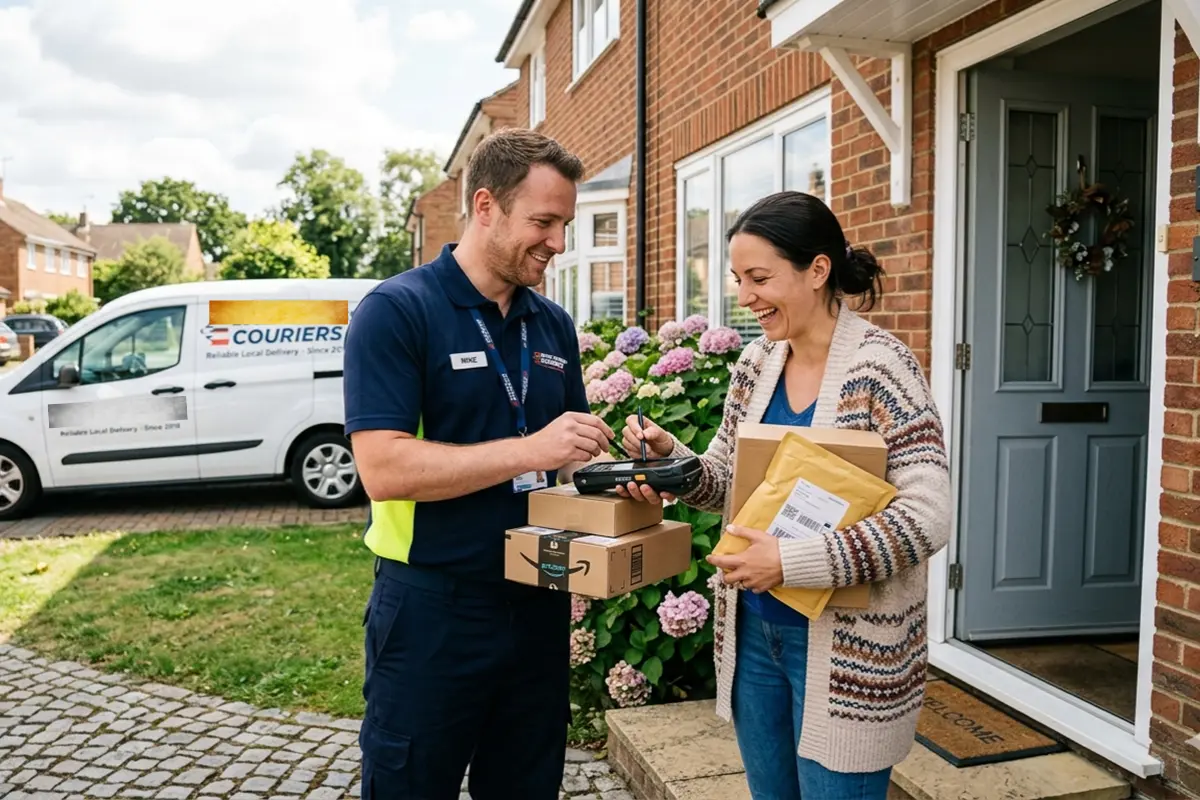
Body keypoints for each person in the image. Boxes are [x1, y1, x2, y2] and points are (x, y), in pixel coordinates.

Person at [617, 191, 951, 799]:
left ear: (818, 270)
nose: (745, 298)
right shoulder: (755, 363)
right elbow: (727, 481)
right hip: (756, 636)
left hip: (852, 654)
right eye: (738, 279)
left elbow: (927, 516)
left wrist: (792, 561)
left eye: (760, 278)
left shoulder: (882, 367)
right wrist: (672, 460)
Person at [343, 128, 616, 800]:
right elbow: (384, 468)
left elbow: (567, 458)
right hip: (434, 604)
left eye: (565, 225)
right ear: (486, 206)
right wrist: (533, 451)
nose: (558, 242)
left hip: (539, 596)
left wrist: (623, 473)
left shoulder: (551, 324)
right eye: (544, 223)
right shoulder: (397, 312)